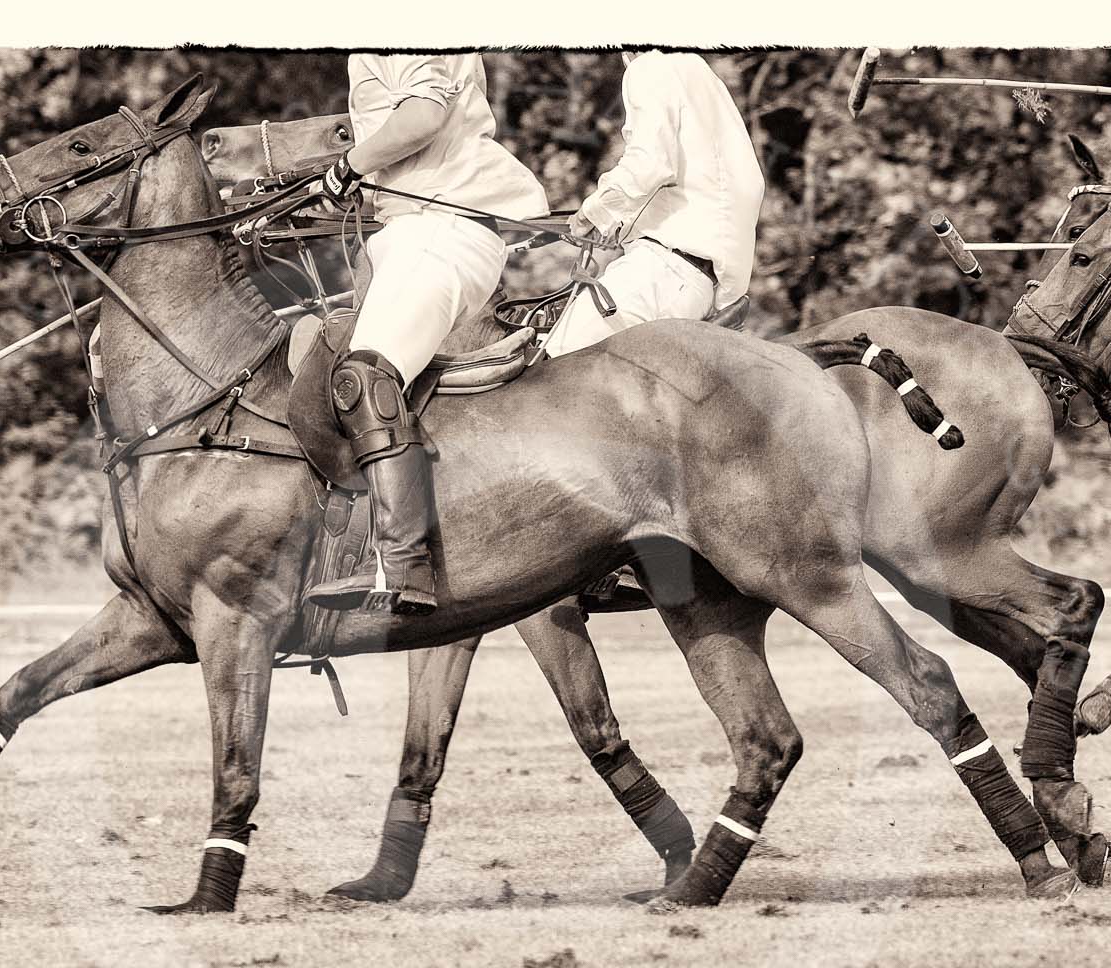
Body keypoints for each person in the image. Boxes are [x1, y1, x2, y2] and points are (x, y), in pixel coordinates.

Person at [305, 53, 549, 615]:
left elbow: (421, 117)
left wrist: (346, 168)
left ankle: (403, 562)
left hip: (442, 230)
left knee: (364, 376)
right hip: (412, 231)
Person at [545, 50, 766, 357]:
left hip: (661, 274)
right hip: (698, 288)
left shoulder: (650, 66)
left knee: (556, 360)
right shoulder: (698, 72)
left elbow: (648, 165)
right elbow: (743, 186)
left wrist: (591, 214)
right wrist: (618, 224)